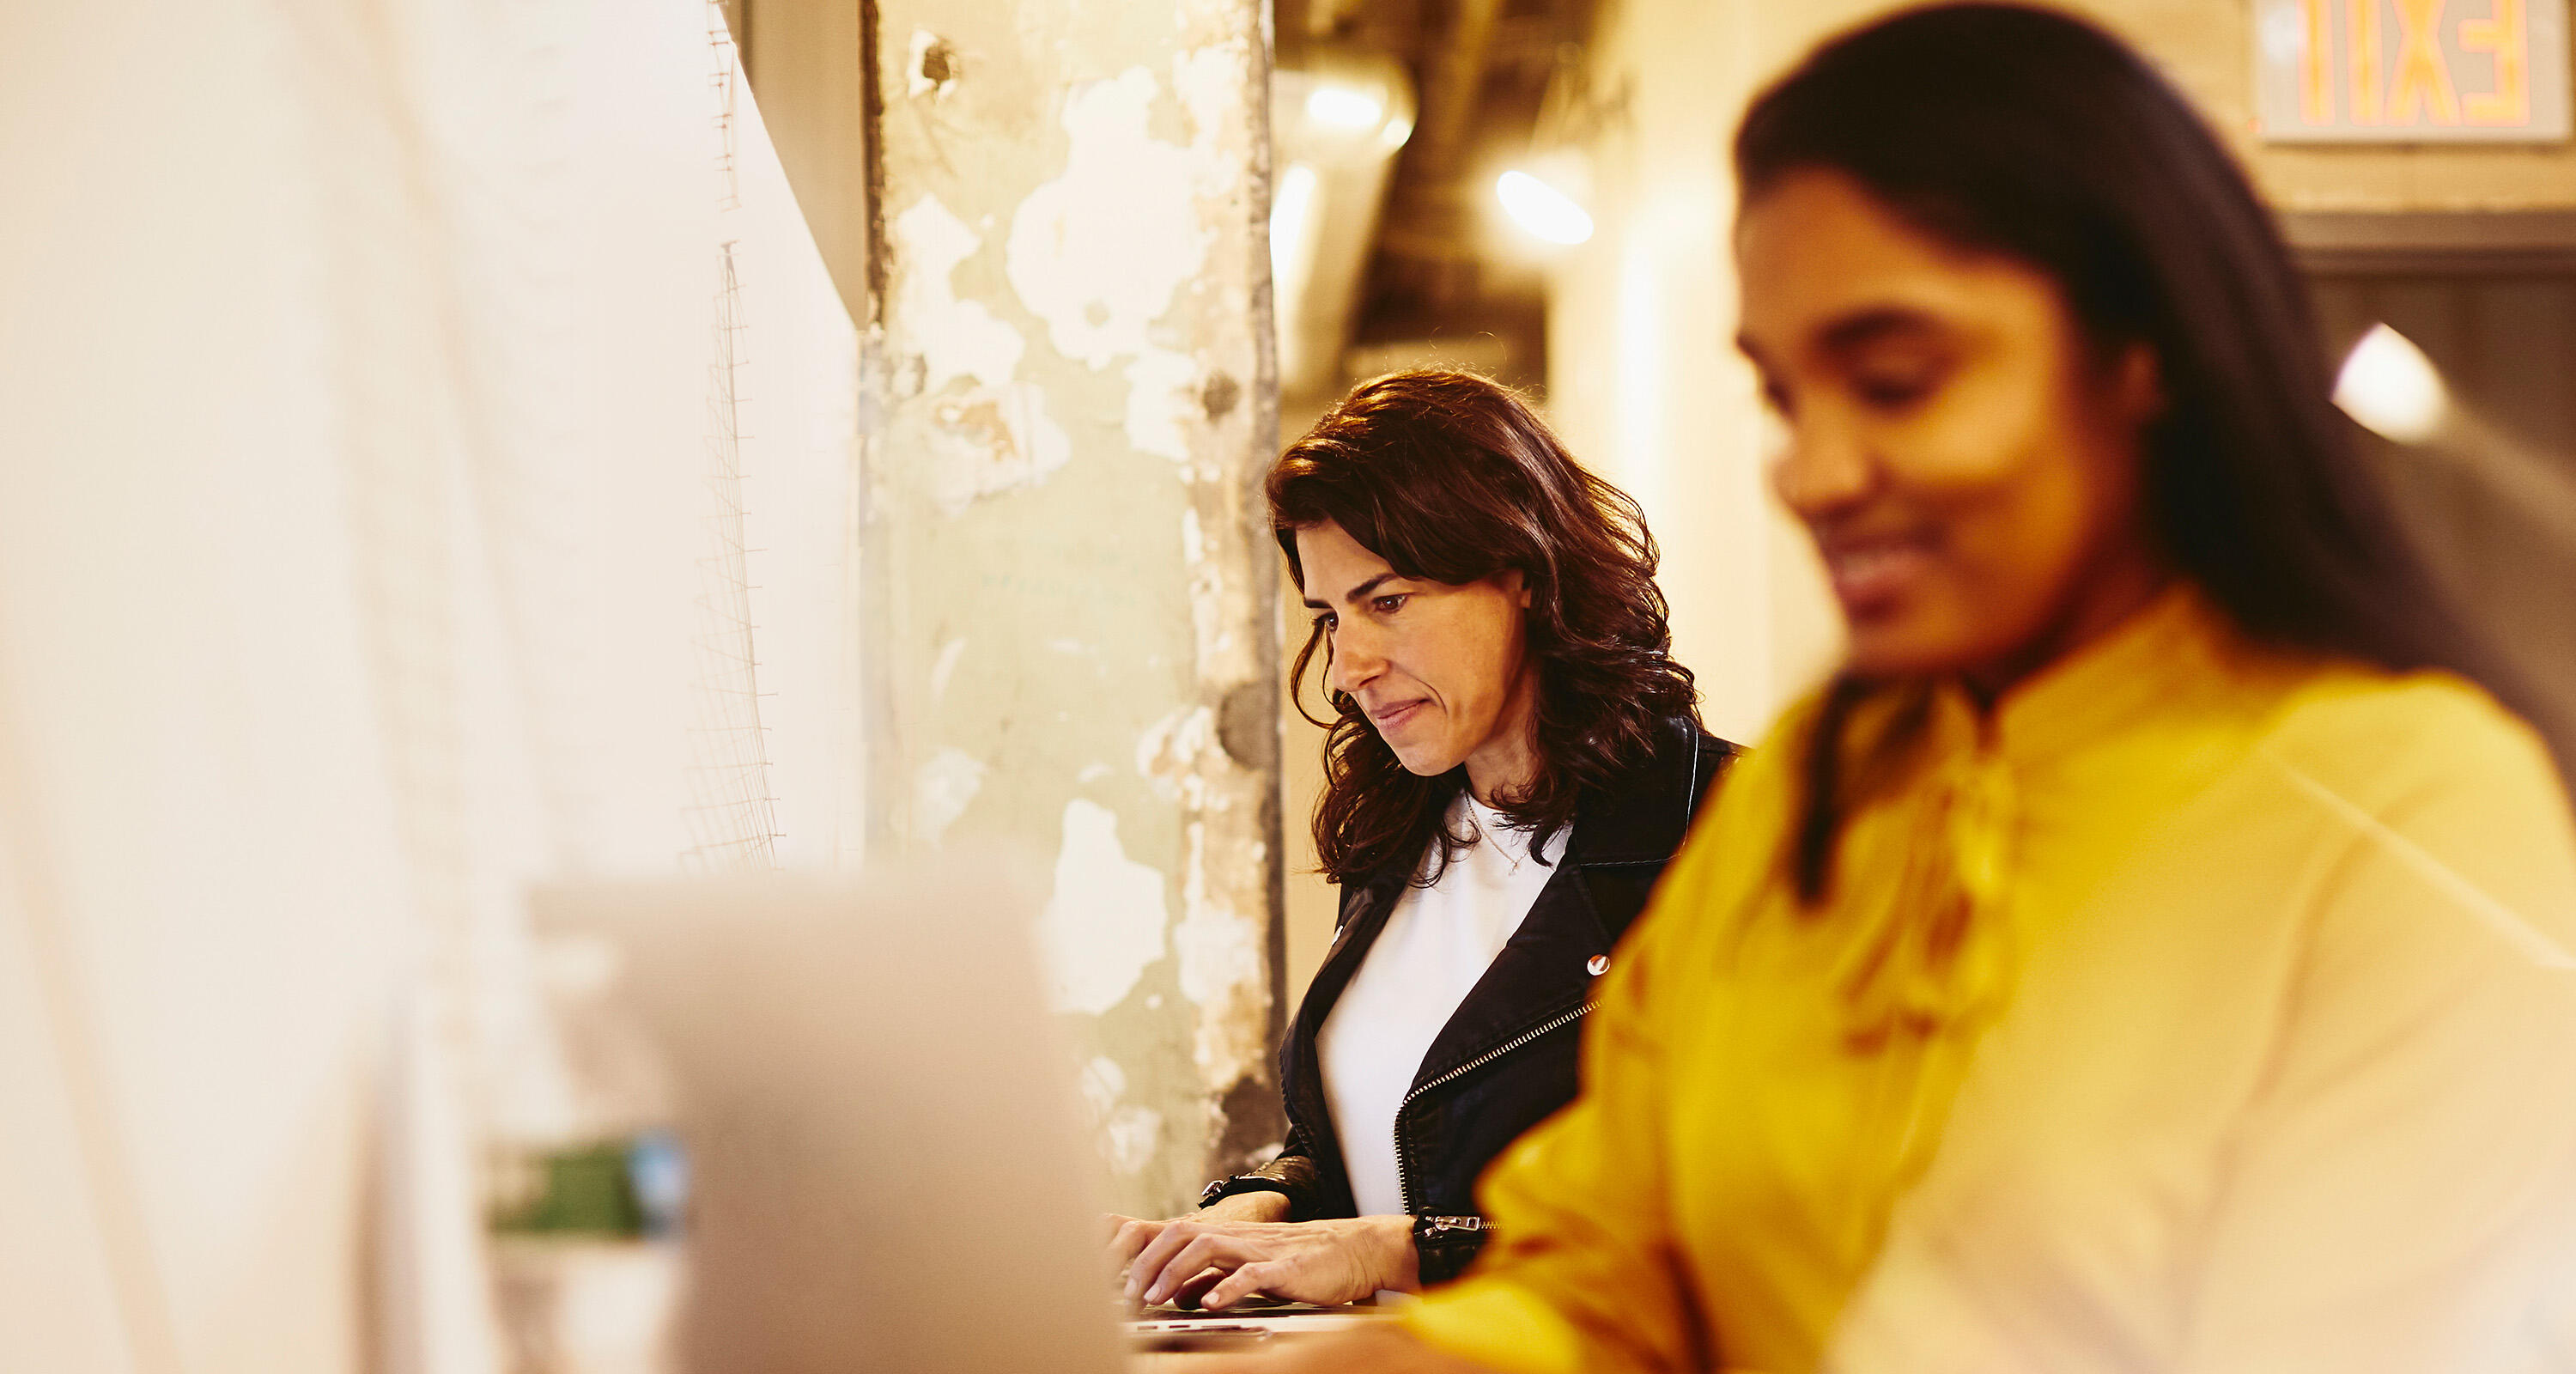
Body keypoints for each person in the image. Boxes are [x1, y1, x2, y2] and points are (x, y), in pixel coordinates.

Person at [1214, 6, 2576, 1371]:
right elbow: (1610, 1276)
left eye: (1899, 380)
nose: (1811, 475)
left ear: (2139, 354)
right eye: (1792, 399)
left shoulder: (2405, 811)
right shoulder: (1821, 785)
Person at [1106, 368, 1741, 1311]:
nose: (1350, 666)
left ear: (1520, 570)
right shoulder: (1399, 836)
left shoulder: (1735, 829)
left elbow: (1743, 1208)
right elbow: (1381, 1131)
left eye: (1388, 600)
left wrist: (1397, 1252)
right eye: (1329, 617)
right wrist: (1265, 1205)